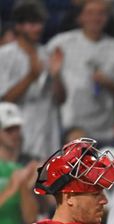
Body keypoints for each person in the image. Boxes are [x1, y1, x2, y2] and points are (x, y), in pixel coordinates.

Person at [46, 0, 114, 143]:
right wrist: (55, 75)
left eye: (101, 14)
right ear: (80, 17)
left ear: (107, 18)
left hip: (104, 130)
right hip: (71, 127)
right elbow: (49, 90)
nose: (95, 18)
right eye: (90, 13)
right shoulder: (61, 43)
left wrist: (108, 83)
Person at [0, 0, 64, 159]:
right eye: (32, 23)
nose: (39, 28)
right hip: (18, 135)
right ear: (19, 26)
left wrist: (56, 76)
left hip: (48, 134)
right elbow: (4, 100)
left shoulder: (47, 54)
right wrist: (30, 77)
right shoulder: (5, 55)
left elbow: (60, 99)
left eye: (40, 22)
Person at [0, 102, 38, 224]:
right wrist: (13, 186)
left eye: (17, 129)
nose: (15, 134)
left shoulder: (19, 170)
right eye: (9, 129)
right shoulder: (16, 175)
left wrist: (24, 185)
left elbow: (30, 219)